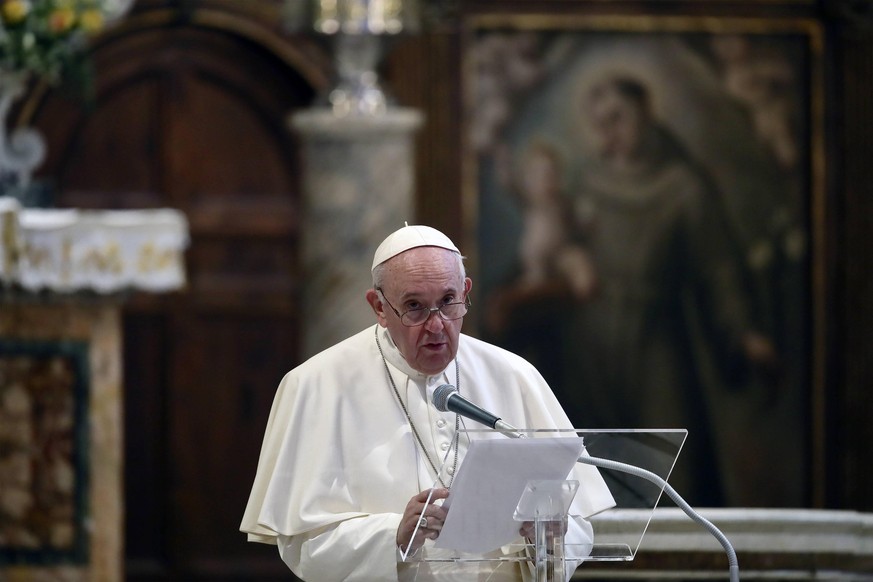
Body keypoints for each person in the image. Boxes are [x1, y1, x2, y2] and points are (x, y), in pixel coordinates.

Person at [240, 224, 615, 581]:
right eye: (415, 306)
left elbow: (577, 522)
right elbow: (302, 546)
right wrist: (394, 535)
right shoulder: (316, 385)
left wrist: (548, 539)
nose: (437, 325)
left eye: (449, 302)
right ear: (379, 307)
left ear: (466, 290)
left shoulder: (515, 376)